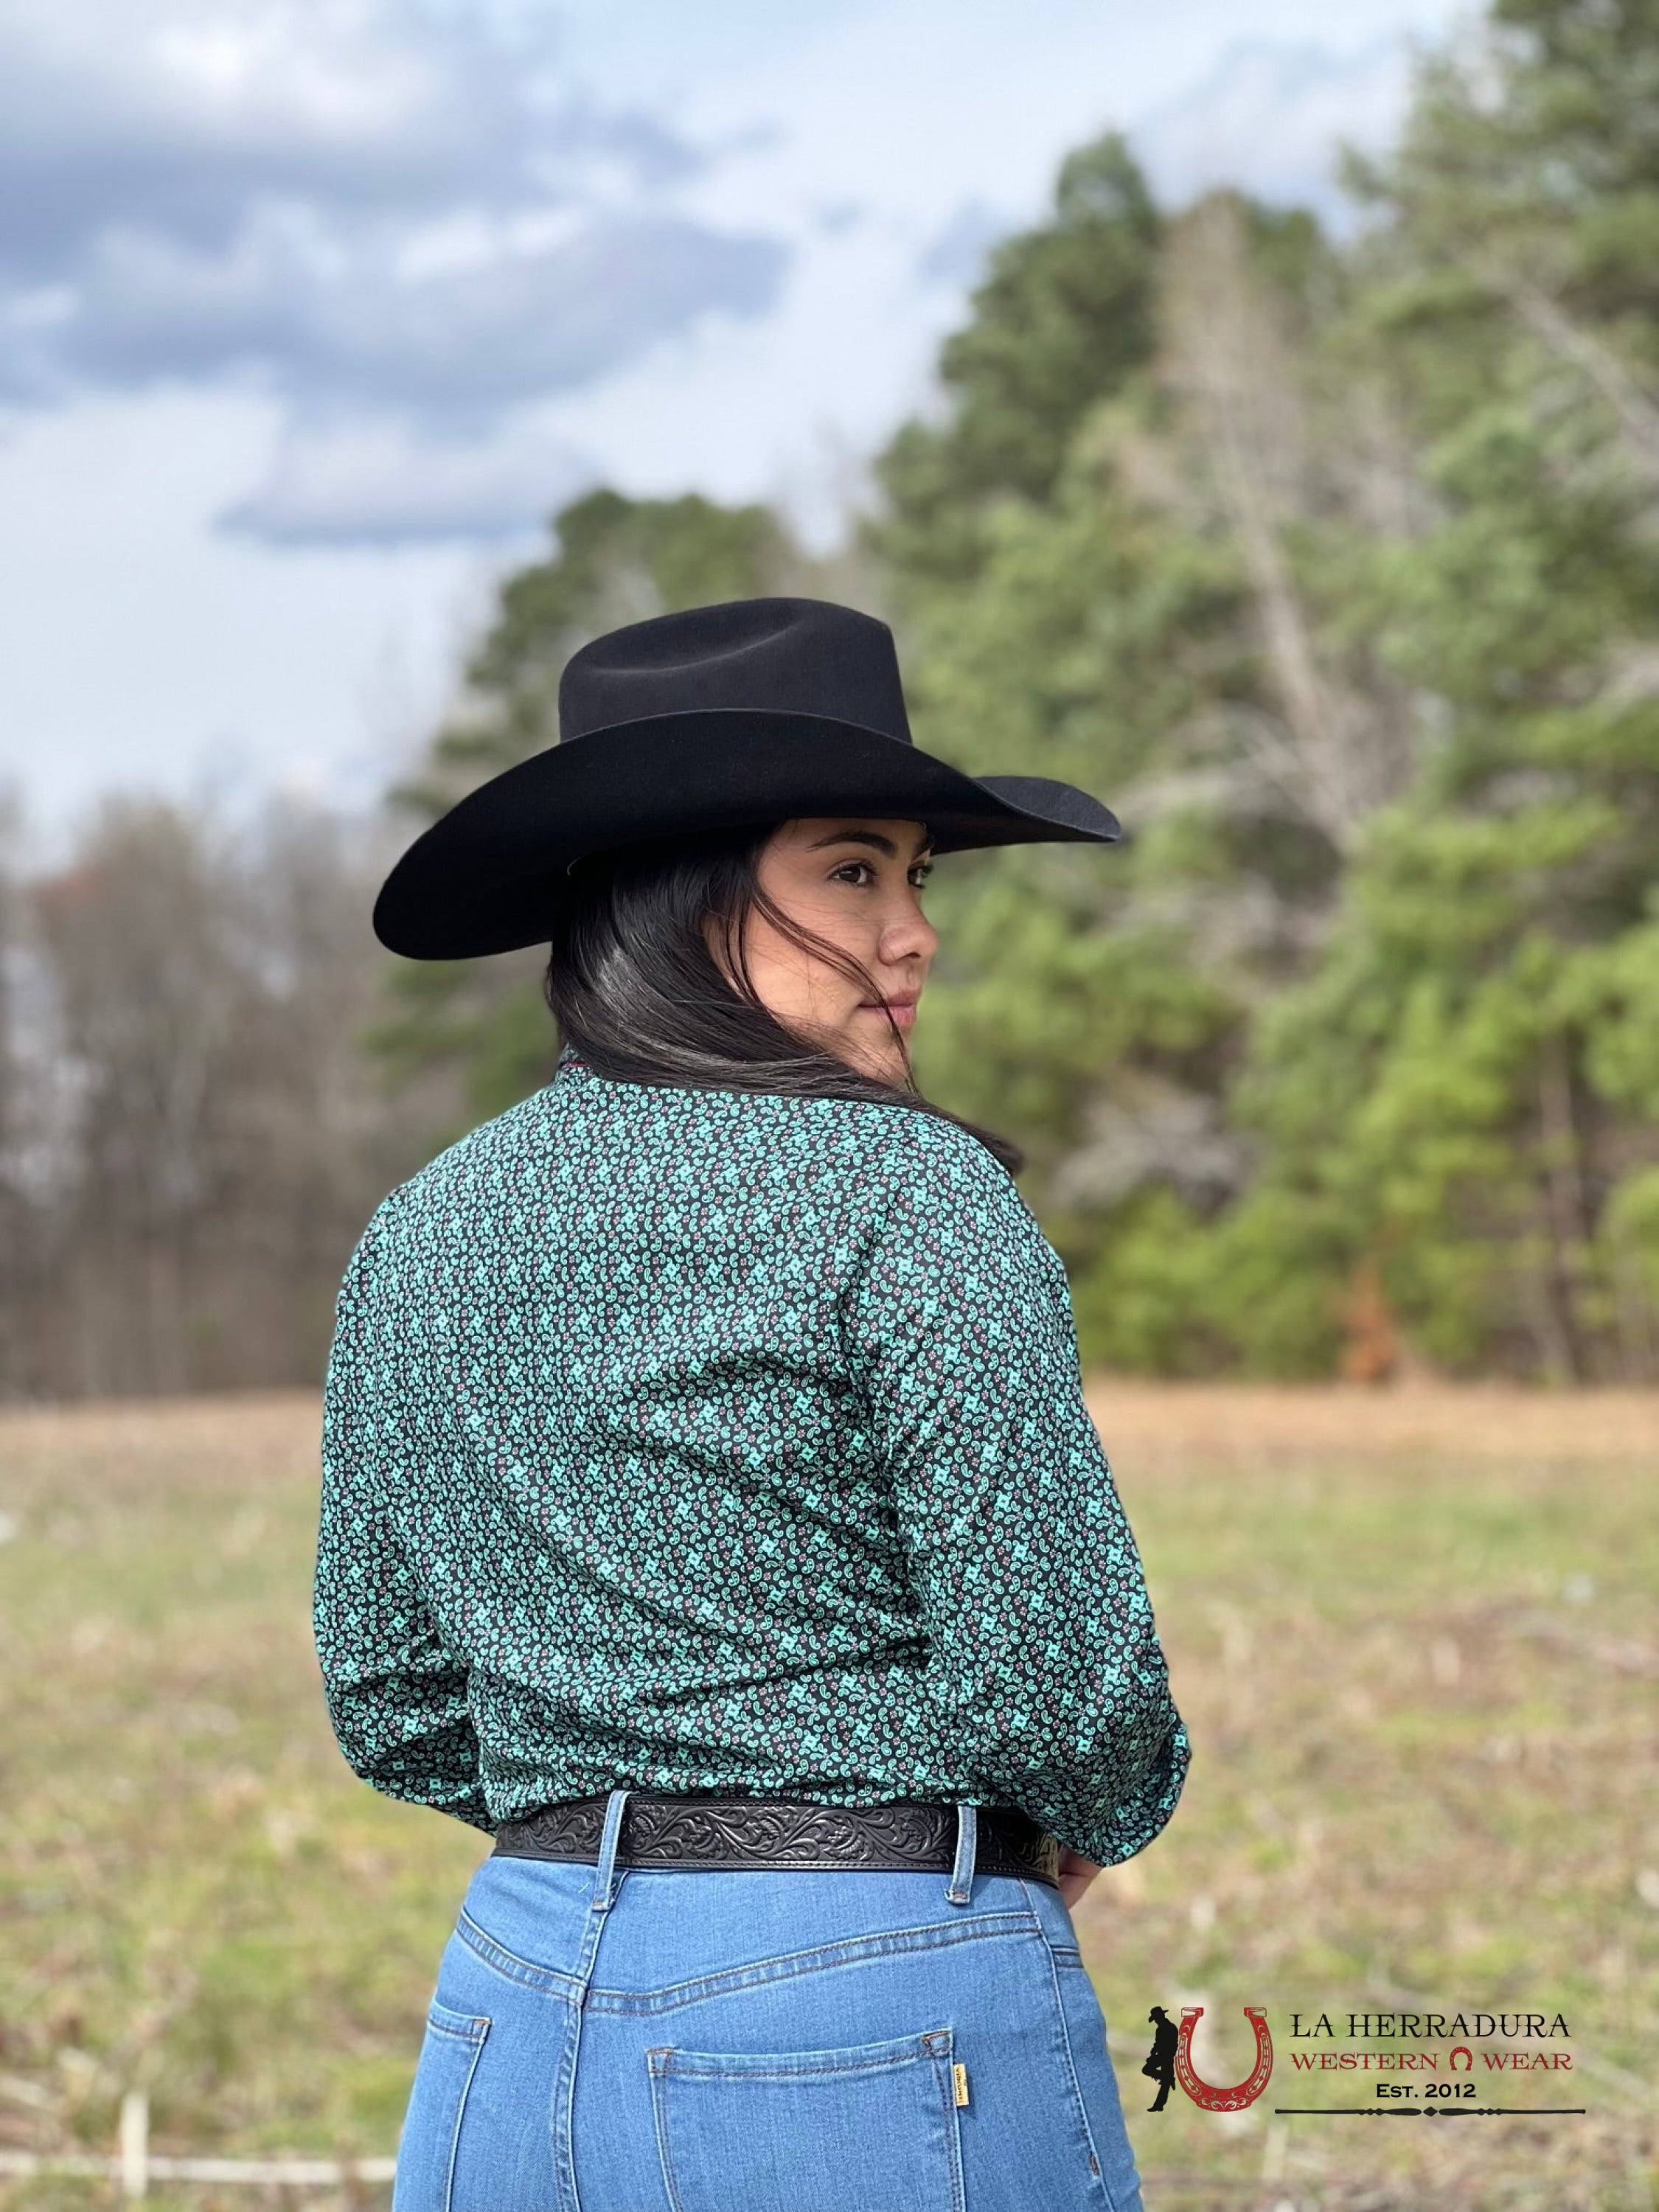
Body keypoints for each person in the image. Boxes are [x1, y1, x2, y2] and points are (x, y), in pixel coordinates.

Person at [314, 598, 1191, 2212]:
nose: (913, 931)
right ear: (684, 886)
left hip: (508, 2019)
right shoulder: (910, 1194)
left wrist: (610, 1818)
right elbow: (1058, 1679)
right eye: (852, 870)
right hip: (866, 2007)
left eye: (914, 878)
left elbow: (391, 1693)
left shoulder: (421, 1225)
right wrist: (1060, 1823)